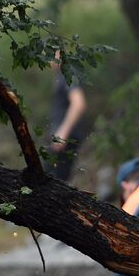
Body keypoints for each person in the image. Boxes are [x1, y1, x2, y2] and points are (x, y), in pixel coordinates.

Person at [47, 52, 89, 183]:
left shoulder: (67, 74)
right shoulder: (62, 75)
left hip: (65, 138)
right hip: (64, 138)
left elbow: (78, 103)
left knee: (53, 181)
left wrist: (63, 132)